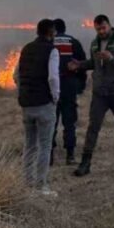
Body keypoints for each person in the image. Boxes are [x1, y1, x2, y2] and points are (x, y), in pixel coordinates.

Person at [70, 15, 114, 177]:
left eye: (103, 27)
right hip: (100, 93)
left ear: (109, 25)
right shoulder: (94, 43)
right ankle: (86, 163)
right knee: (93, 127)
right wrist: (80, 65)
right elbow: (93, 63)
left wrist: (112, 58)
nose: (101, 31)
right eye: (98, 29)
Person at [13, 19, 61, 196]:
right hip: (44, 104)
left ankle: (26, 184)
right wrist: (55, 97)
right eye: (54, 32)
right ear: (50, 32)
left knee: (30, 145)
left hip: (27, 104)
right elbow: (53, 78)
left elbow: (15, 75)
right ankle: (41, 186)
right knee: (45, 146)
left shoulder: (26, 49)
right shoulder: (52, 50)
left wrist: (23, 92)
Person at [51, 18, 87, 166]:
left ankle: (49, 156)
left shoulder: (49, 42)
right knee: (69, 122)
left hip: (52, 87)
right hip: (69, 86)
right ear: (65, 29)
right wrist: (80, 85)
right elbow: (82, 64)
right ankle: (70, 155)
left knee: (51, 122)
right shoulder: (74, 42)